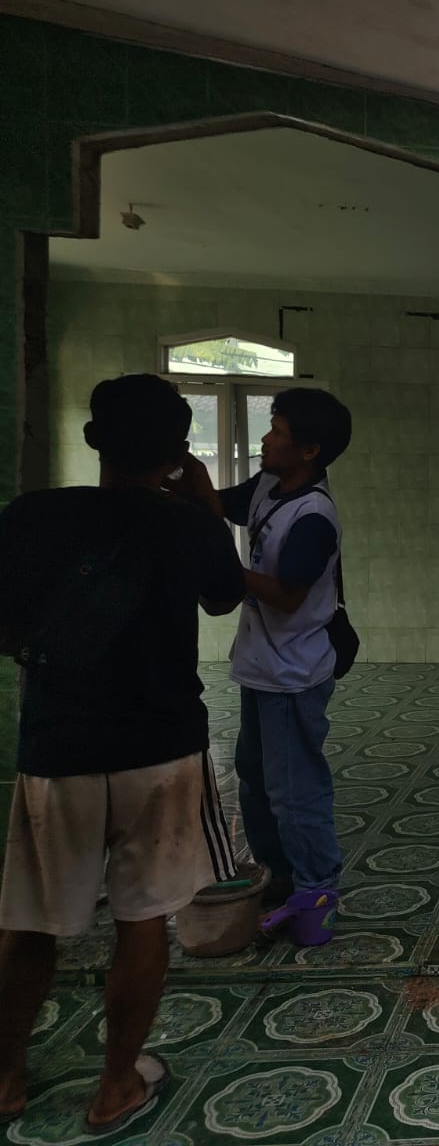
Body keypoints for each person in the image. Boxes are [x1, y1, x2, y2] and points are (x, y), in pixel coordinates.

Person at [0, 375, 244, 1134]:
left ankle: (5, 1078)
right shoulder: (188, 524)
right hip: (160, 749)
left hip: (58, 746)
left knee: (28, 923)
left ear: (93, 440)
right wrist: (204, 505)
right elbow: (224, 595)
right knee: (143, 920)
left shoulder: (31, 515)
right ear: (178, 451)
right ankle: (115, 1086)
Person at [177, 387, 353, 945]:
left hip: (293, 674)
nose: (266, 438)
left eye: (277, 431)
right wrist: (183, 478)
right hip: (260, 664)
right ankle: (280, 874)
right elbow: (218, 504)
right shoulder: (268, 487)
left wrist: (220, 568)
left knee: (294, 790)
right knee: (254, 779)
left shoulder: (314, 517)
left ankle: (317, 891)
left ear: (309, 450)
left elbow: (286, 595)